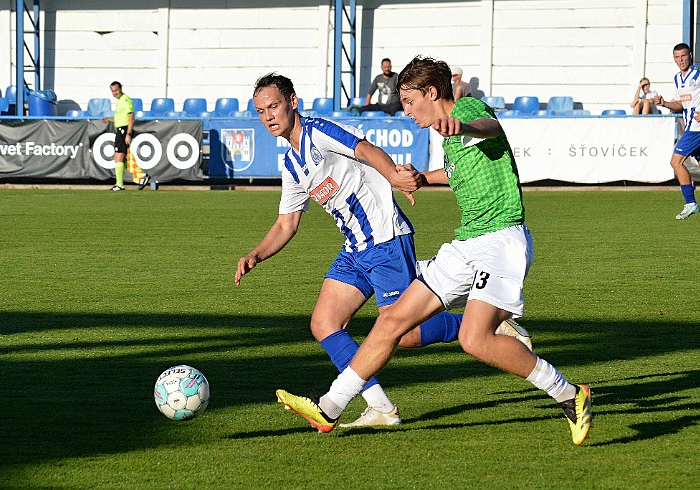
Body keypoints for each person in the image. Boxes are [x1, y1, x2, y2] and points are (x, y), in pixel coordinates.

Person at [275, 56, 593, 446]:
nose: (405, 110)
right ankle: (329, 408)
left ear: (431, 93)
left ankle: (569, 394)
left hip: (501, 241)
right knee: (393, 324)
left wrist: (465, 125)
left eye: (409, 101)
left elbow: (492, 128)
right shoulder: (447, 138)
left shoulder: (466, 110)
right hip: (466, 243)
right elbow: (460, 171)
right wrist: (426, 177)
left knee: (475, 340)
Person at [237, 72, 532, 427]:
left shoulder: (319, 132)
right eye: (260, 111)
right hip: (354, 249)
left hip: (386, 239)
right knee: (324, 323)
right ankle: (380, 406)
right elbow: (287, 223)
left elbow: (366, 149)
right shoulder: (292, 165)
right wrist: (257, 254)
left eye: (274, 106)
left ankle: (495, 327)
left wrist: (394, 175)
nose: (268, 116)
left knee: (405, 334)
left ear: (293, 102)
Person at [653, 43, 700, 219]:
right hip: (692, 127)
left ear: (690, 55)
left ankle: (690, 203)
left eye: (683, 56)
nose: (680, 60)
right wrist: (664, 104)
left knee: (676, 162)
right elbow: (680, 104)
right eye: (677, 57)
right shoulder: (678, 78)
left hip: (697, 128)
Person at [104, 81, 150, 191]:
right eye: (113, 91)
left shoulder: (125, 100)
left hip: (124, 130)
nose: (114, 93)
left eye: (116, 90)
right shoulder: (119, 101)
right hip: (120, 130)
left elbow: (131, 118)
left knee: (119, 157)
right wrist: (109, 120)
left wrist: (128, 134)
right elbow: (120, 118)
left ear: (120, 89)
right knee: (120, 157)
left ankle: (120, 185)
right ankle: (141, 177)